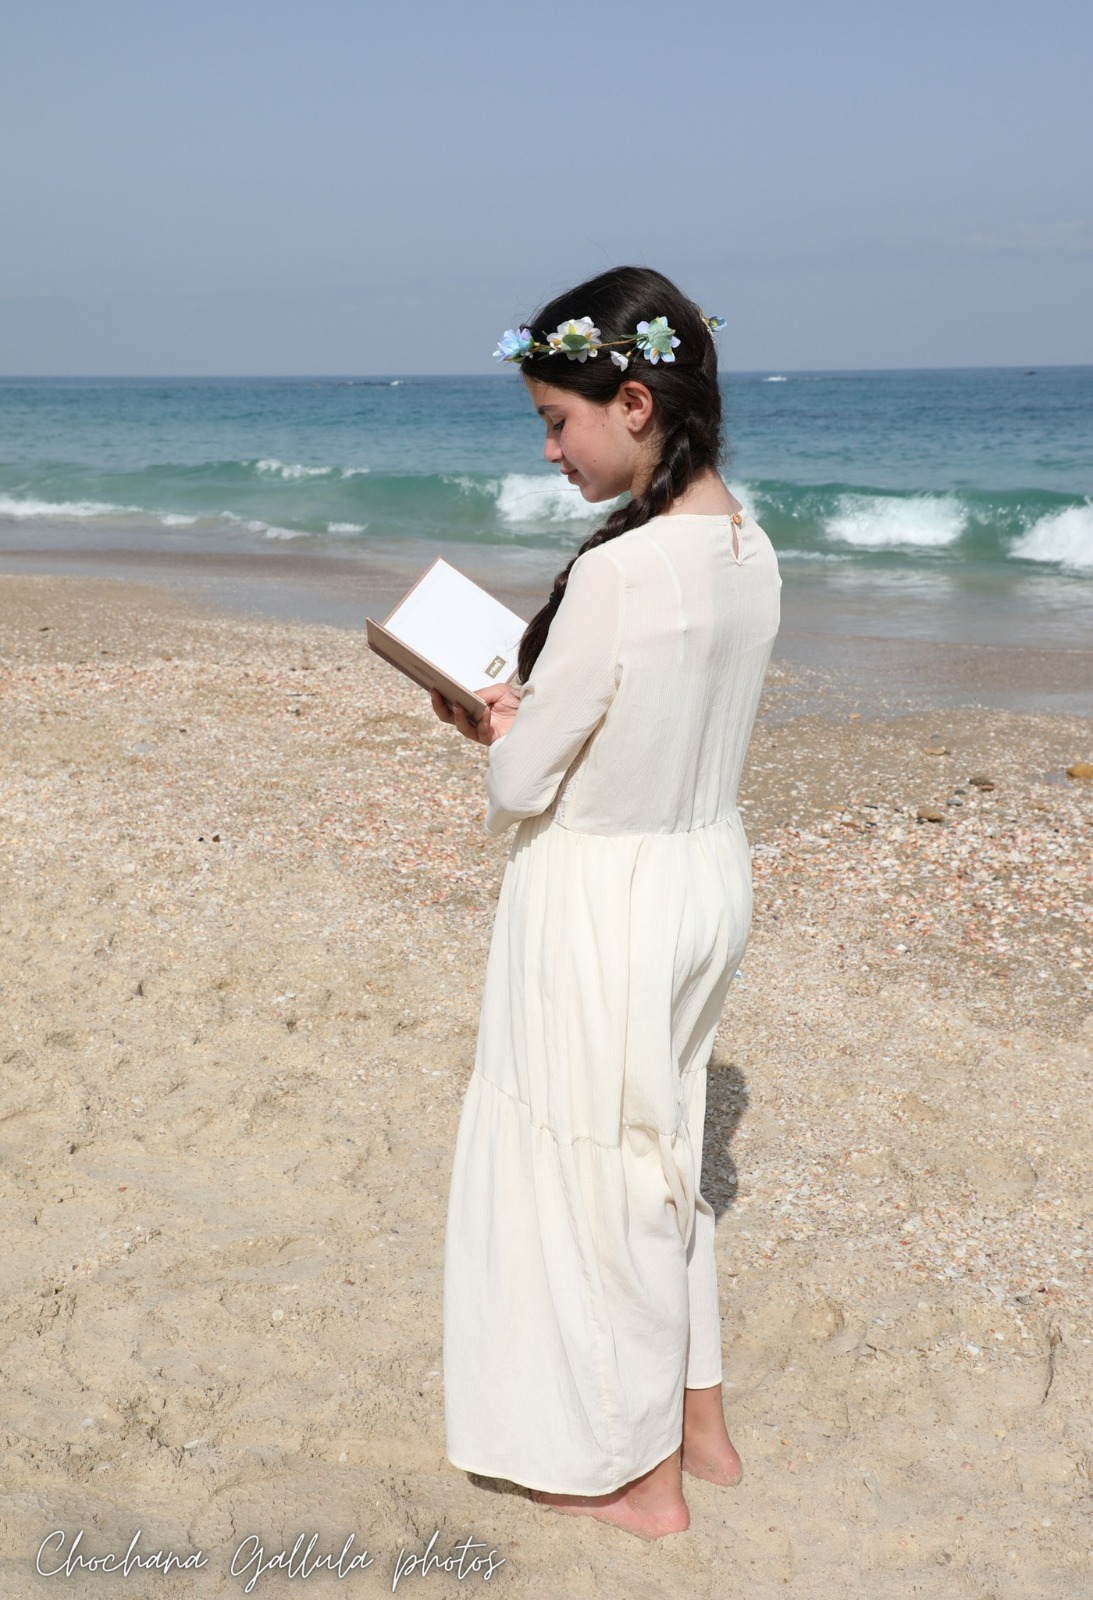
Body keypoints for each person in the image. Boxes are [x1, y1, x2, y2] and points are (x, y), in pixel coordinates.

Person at [430, 265, 781, 1541]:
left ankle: (642, 1481)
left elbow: (528, 781)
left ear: (634, 402)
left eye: (556, 420)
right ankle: (700, 1423)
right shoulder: (749, 545)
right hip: (706, 872)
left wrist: (493, 724)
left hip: (602, 892)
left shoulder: (621, 573)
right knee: (665, 1152)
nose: (548, 449)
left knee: (593, 1176)